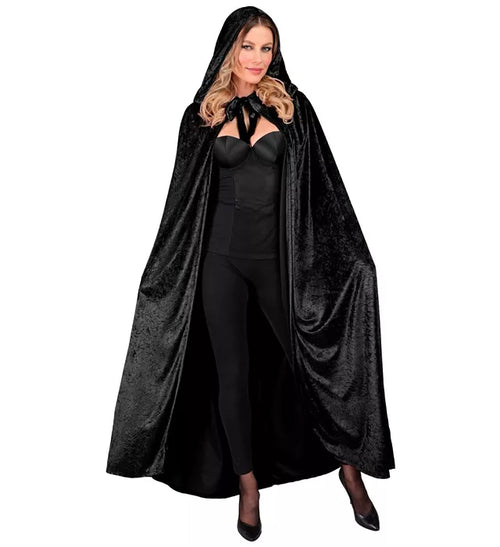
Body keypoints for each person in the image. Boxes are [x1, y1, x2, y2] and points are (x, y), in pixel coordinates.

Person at [106, 6, 395, 541]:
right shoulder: (200, 116)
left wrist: (355, 261)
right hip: (219, 264)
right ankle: (248, 486)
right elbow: (181, 207)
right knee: (231, 376)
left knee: (313, 366)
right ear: (228, 49)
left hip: (278, 265)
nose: (257, 58)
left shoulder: (294, 109)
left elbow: (325, 193)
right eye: (248, 46)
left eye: (267, 47)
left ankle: (350, 470)